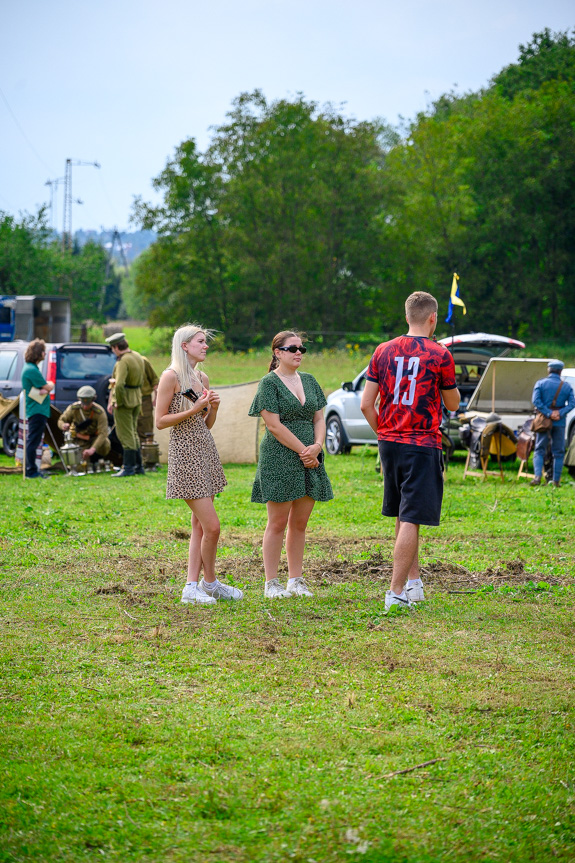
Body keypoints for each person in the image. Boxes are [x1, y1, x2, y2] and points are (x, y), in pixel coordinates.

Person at [361, 292, 460, 610]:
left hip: (389, 442)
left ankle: (413, 583)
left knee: (405, 514)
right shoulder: (440, 354)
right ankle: (395, 592)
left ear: (407, 316)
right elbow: (453, 403)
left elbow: (366, 404)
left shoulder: (383, 350)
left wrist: (384, 435)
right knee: (412, 517)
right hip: (421, 444)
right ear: (433, 318)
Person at [155, 323, 243, 605]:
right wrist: (193, 409)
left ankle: (194, 587)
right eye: (201, 342)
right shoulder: (171, 377)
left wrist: (212, 409)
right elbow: (160, 422)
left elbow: (206, 424)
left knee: (199, 526)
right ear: (184, 346)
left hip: (205, 449)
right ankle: (208, 583)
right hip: (185, 454)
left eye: (205, 342)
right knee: (212, 526)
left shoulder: (201, 377)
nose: (206, 346)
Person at [249, 331, 333, 598]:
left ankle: (295, 580)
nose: (299, 353)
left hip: (311, 456)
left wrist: (317, 448)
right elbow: (273, 425)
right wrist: (303, 451)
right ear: (277, 352)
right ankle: (271, 583)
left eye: (302, 349)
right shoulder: (268, 383)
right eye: (292, 348)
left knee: (300, 523)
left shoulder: (309, 380)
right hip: (280, 456)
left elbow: (319, 419)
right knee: (277, 522)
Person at [105, 332, 145, 477]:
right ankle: (138, 467)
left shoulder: (123, 361)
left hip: (125, 401)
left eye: (112, 348)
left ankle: (128, 468)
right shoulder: (137, 356)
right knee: (133, 433)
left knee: (125, 435)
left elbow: (119, 384)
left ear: (116, 347)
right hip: (136, 398)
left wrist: (117, 402)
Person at [530, 359, 575, 489]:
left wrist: (548, 413)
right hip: (559, 422)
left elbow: (536, 401)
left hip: (544, 421)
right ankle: (556, 481)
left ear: (548, 370)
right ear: (560, 371)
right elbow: (572, 403)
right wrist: (559, 413)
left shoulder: (540, 383)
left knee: (539, 449)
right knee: (559, 452)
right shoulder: (566, 386)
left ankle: (537, 477)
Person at [21, 338, 54, 479]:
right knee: (33, 441)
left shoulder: (31, 368)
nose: (45, 355)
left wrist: (45, 389)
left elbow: (44, 389)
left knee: (34, 440)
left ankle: (32, 469)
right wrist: (48, 386)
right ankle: (31, 471)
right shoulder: (32, 370)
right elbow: (48, 387)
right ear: (38, 353)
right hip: (37, 409)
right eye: (43, 352)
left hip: (38, 409)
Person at [57, 385, 111, 464]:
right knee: (80, 466)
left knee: (105, 444)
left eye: (88, 404)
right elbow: (61, 420)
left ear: (93, 400)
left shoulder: (99, 412)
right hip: (80, 440)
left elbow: (103, 433)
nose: (85, 407)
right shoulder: (73, 409)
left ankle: (98, 458)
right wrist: (63, 425)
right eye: (83, 404)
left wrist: (92, 449)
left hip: (94, 439)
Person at [137, 354, 159, 444]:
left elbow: (154, 380)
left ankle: (148, 455)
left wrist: (156, 398)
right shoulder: (120, 362)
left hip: (144, 399)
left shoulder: (143, 361)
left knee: (147, 432)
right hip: (126, 401)